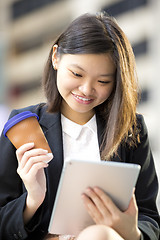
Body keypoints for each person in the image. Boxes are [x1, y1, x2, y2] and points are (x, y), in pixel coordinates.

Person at [0, 12, 159, 240]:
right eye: (77, 73)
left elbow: (150, 219)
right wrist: (32, 200)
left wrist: (131, 231)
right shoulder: (24, 125)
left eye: (103, 81)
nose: (86, 89)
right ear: (56, 57)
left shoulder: (130, 130)